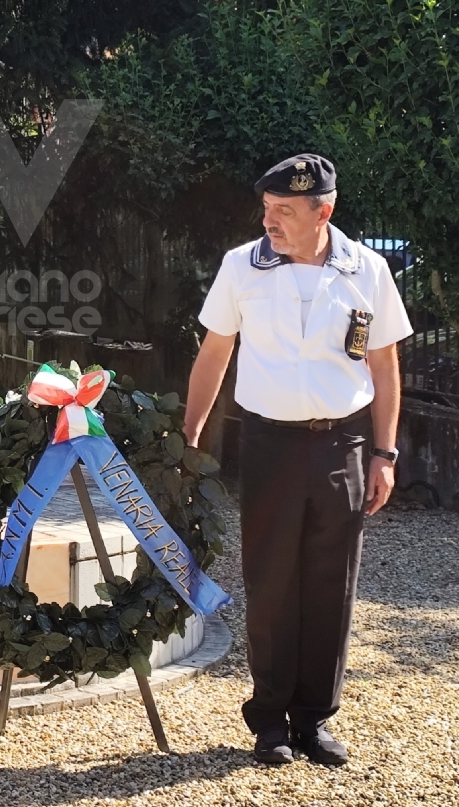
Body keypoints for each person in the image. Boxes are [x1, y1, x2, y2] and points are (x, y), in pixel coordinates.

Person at [182, 154, 412, 767]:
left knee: (331, 586)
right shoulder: (242, 267)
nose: (270, 221)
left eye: (284, 211)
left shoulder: (368, 269)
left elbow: (385, 365)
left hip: (344, 446)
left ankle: (315, 720)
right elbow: (214, 354)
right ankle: (270, 721)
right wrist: (191, 436)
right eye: (266, 209)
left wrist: (386, 453)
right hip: (269, 445)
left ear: (324, 212)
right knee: (271, 583)